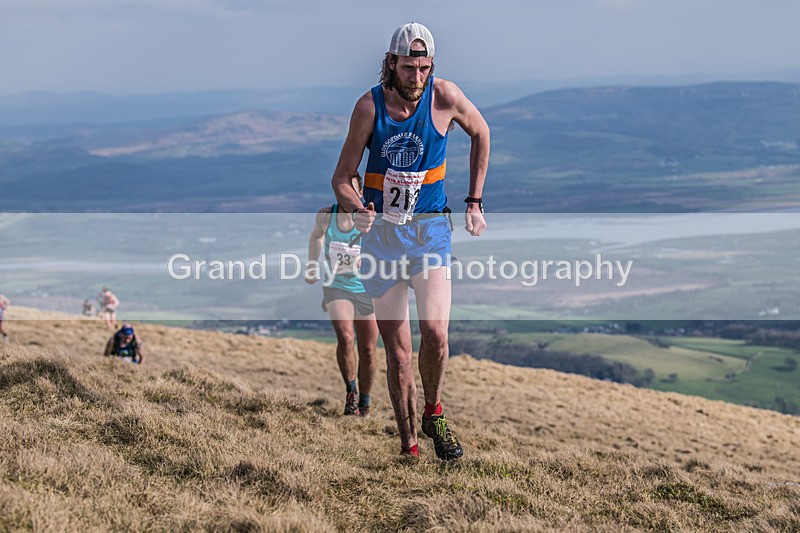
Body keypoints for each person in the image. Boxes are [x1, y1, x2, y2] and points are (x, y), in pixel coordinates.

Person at [331, 23, 490, 460]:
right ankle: (410, 447)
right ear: (392, 64)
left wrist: (474, 201)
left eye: (423, 67)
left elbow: (482, 132)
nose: (416, 76)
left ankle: (434, 413)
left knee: (436, 333)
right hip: (381, 241)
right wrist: (356, 208)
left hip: (430, 232)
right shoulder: (369, 108)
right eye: (408, 67)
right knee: (399, 356)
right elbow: (342, 179)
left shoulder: (445, 97)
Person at [305, 172, 380, 416]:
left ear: (360, 194)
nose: (346, 197)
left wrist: (368, 262)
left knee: (368, 349)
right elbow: (316, 237)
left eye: (352, 192)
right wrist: (312, 264)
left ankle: (365, 402)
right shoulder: (327, 216)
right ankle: (351, 392)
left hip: (367, 289)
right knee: (346, 337)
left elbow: (385, 250)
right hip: (336, 285)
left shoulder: (369, 219)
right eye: (342, 192)